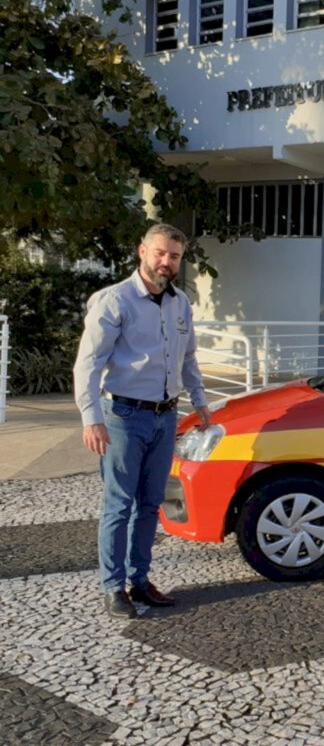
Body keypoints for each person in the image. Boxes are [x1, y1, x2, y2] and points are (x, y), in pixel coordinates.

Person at [74, 223, 211, 619]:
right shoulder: (114, 301)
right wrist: (91, 418)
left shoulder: (179, 302)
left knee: (151, 504)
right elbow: (88, 364)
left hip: (164, 416)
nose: (166, 262)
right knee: (119, 504)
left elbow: (188, 357)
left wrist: (199, 400)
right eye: (161, 253)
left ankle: (140, 580)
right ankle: (113, 587)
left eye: (174, 256)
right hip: (122, 417)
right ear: (142, 251)